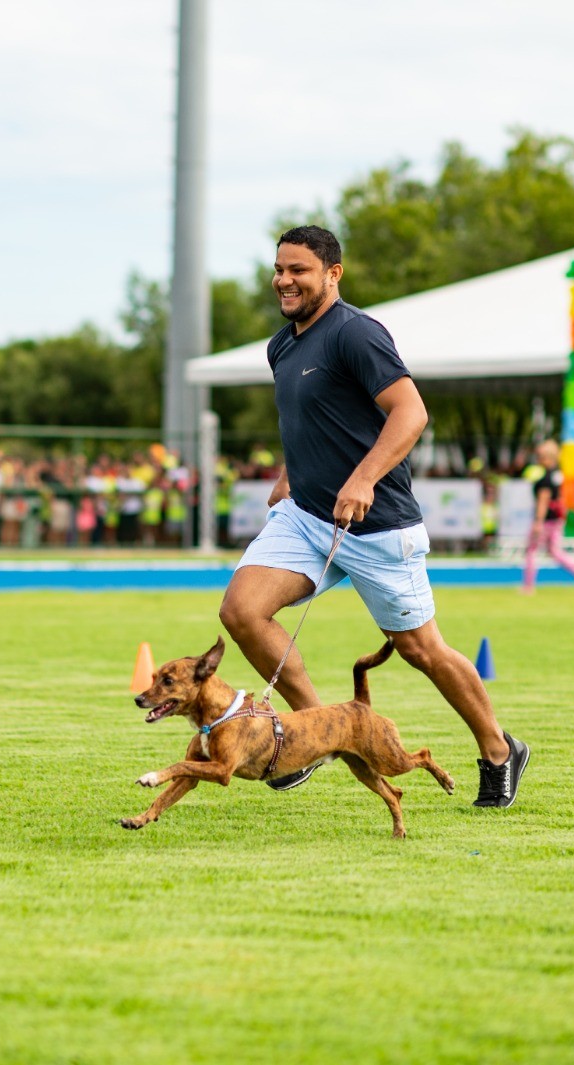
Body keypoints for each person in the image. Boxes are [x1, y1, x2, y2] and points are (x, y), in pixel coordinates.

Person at [217, 225, 529, 808]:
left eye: (299, 270)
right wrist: (290, 474)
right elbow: (307, 417)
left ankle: (498, 749)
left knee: (420, 650)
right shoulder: (281, 345)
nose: (284, 280)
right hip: (306, 515)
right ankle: (313, 732)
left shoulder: (356, 334)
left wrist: (362, 478)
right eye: (279, 269)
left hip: (377, 524)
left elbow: (410, 412)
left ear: (333, 275)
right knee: (241, 611)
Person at [522, 439, 574, 592]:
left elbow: (543, 501)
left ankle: (528, 586)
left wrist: (537, 522)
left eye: (540, 457)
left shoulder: (545, 479)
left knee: (531, 551)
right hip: (556, 520)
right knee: (555, 552)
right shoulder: (557, 475)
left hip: (546, 520)